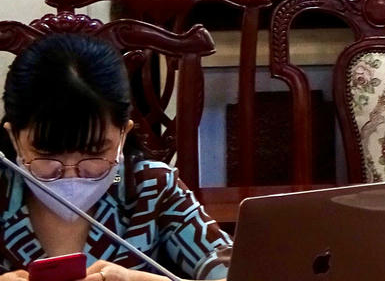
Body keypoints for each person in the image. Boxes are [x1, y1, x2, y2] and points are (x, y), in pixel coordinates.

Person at [0, 34, 232, 280]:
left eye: (94, 152)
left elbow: (240, 272)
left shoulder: (150, 187)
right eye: (47, 154)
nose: (71, 173)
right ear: (14, 137)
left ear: (124, 133)